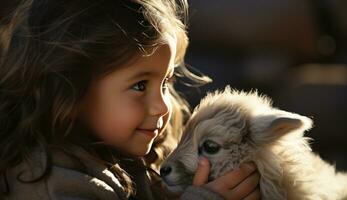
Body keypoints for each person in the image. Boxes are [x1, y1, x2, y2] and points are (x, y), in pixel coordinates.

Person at [0, 0, 260, 199]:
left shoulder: (128, 154)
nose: (162, 106)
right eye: (140, 85)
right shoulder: (52, 183)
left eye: (166, 82)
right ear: (69, 86)